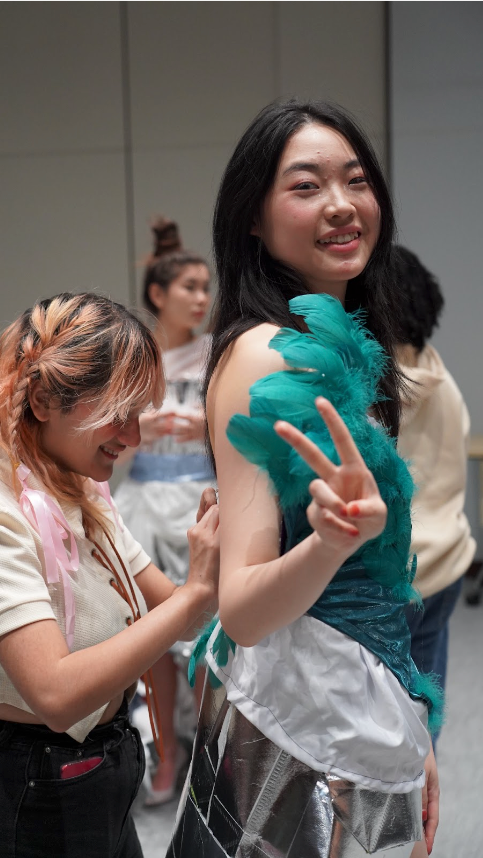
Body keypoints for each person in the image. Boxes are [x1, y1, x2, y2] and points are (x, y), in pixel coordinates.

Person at [167, 100, 440, 858]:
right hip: (295, 740)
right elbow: (246, 609)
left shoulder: (343, 344)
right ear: (252, 219)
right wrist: (328, 542)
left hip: (356, 708)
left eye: (356, 180)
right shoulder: (263, 354)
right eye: (306, 186)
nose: (342, 205)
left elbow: (379, 586)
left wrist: (415, 722)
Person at [0, 292, 219, 858]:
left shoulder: (79, 487)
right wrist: (197, 593)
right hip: (15, 797)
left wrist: (228, 549)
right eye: (120, 413)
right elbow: (55, 694)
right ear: (41, 399)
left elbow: (177, 616)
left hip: (99, 772)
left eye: (141, 414)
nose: (134, 437)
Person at [114, 218, 213, 805]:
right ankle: (167, 760)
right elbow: (104, 430)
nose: (202, 298)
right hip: (145, 502)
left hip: (201, 499)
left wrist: (208, 425)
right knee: (155, 641)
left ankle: (206, 760)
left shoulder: (219, 354)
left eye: (206, 287)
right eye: (189, 288)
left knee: (205, 641)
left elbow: (244, 429)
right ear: (159, 294)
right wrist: (144, 426)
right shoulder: (134, 351)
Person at [394, 245, 475, 745]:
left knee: (373, 738)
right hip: (445, 563)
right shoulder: (440, 379)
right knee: (424, 713)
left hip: (387, 577)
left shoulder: (365, 392)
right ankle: (422, 817)